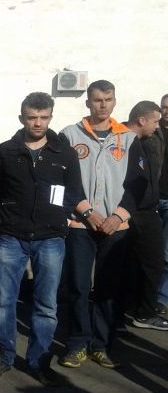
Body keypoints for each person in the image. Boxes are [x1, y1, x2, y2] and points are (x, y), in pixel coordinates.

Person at [0, 92, 85, 385]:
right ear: (22, 118)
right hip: (11, 236)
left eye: (43, 117)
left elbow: (73, 192)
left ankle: (39, 361)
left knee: (46, 305)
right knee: (4, 302)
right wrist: (10, 212)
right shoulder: (5, 152)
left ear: (50, 117)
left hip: (51, 237)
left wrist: (58, 215)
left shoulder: (64, 153)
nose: (37, 123)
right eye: (31, 118)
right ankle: (3, 355)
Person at [58, 80, 138, 369]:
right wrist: (86, 211)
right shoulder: (69, 135)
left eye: (108, 99)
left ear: (114, 101)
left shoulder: (129, 138)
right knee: (79, 287)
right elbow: (62, 180)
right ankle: (77, 344)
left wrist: (118, 216)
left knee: (108, 288)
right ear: (88, 103)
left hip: (116, 227)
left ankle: (100, 345)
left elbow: (138, 184)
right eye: (97, 100)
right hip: (81, 225)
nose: (102, 105)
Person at [123, 101, 167, 330]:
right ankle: (145, 314)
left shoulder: (144, 141)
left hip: (144, 209)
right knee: (153, 263)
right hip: (138, 210)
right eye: (155, 121)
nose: (158, 126)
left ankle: (135, 307)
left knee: (138, 264)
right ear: (142, 120)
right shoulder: (125, 143)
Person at [156, 94, 168, 316]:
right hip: (152, 199)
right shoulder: (153, 132)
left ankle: (161, 299)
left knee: (167, 253)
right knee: (145, 251)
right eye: (164, 107)